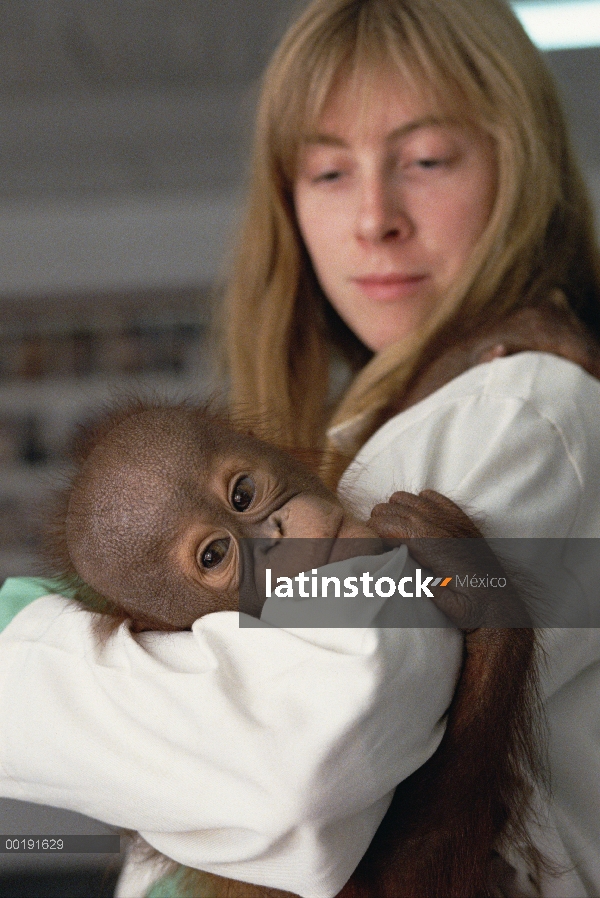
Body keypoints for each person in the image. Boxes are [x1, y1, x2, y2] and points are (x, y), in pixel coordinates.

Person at [1, 0, 600, 896]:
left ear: (527, 169)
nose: (374, 220)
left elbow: (292, 753)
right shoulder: (382, 424)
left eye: (427, 160)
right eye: (326, 172)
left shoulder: (515, 400)